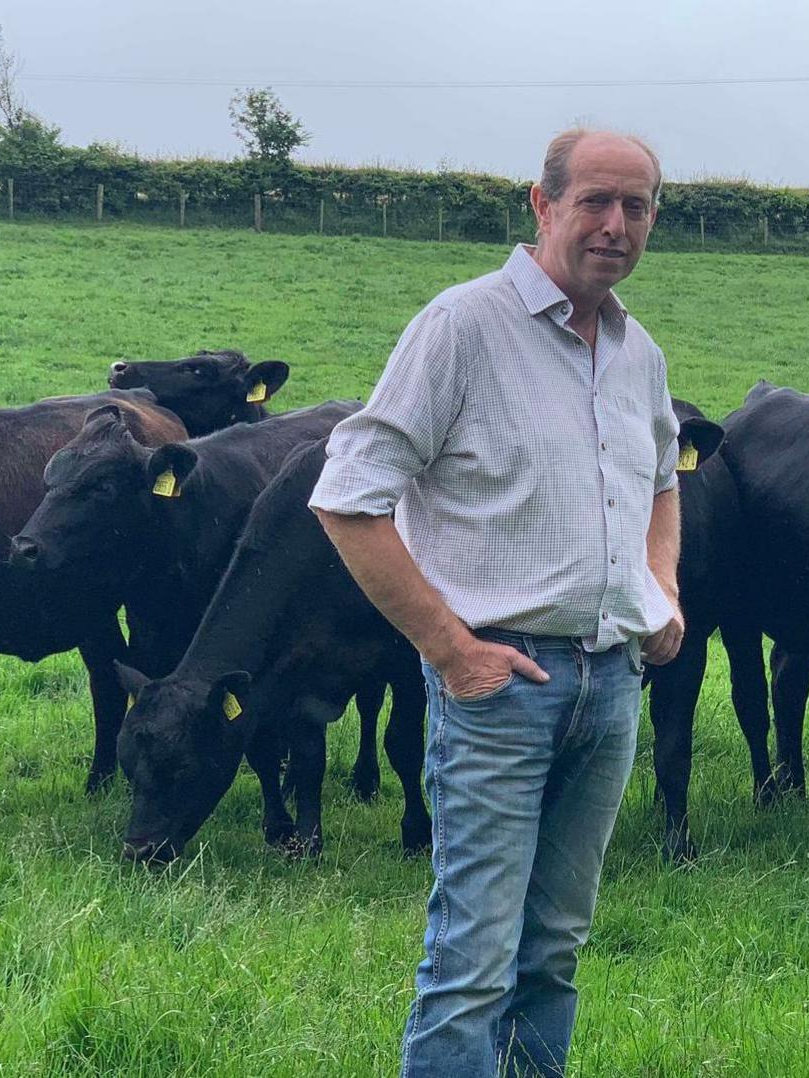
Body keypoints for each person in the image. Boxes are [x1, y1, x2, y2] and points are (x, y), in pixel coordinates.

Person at [309, 127, 682, 1078]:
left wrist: (659, 588)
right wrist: (450, 650)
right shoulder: (463, 327)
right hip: (499, 685)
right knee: (472, 963)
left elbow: (662, 481)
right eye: (595, 200)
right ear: (542, 204)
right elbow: (348, 495)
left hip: (612, 684)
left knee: (554, 949)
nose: (615, 224)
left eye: (635, 206)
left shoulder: (639, 352)